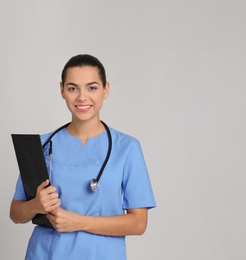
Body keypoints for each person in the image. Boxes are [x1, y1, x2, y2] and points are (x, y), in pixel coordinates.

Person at [10, 54, 156, 260]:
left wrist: (79, 222)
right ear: (62, 90)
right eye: (72, 88)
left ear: (106, 90)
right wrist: (35, 205)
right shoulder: (42, 145)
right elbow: (15, 213)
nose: (82, 97)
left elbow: (138, 224)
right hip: (46, 253)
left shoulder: (127, 148)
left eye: (92, 87)